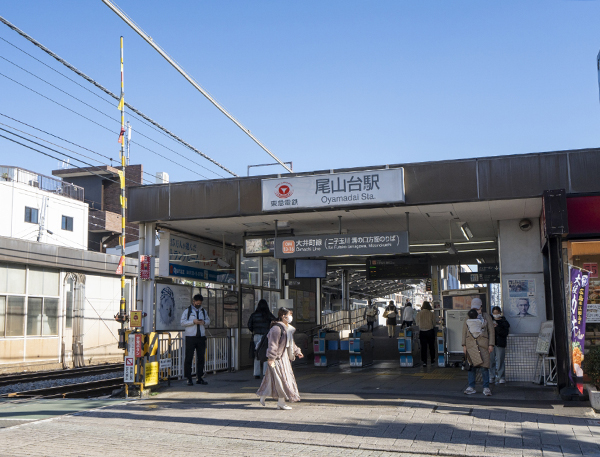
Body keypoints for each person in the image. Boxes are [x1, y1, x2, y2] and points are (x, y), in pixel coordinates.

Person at [256, 308, 304, 410]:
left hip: (284, 358)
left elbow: (291, 343)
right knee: (281, 379)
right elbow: (272, 345)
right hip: (276, 359)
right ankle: (280, 402)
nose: (291, 317)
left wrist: (297, 351)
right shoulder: (276, 329)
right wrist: (271, 358)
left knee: (273, 378)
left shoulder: (288, 329)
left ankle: (264, 396)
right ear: (283, 316)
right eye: (289, 315)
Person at [462, 297, 495, 396]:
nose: (476, 310)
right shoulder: (468, 316)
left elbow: (491, 331)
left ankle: (486, 387)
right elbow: (464, 331)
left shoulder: (486, 316)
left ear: (481, 307)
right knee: (471, 367)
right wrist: (464, 345)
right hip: (471, 344)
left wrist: (491, 344)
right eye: (474, 308)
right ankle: (471, 387)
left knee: (484, 367)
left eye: (477, 308)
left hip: (483, 344)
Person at [180, 294, 211, 386]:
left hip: (201, 337)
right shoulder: (187, 311)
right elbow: (182, 322)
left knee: (201, 358)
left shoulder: (203, 311)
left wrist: (203, 322)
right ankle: (189, 378)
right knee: (188, 358)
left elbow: (208, 321)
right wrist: (193, 322)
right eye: (197, 303)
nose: (198, 305)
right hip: (190, 337)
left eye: (200, 304)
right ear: (193, 302)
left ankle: (199, 378)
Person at [248, 299, 276, 379]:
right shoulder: (268, 315)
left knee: (257, 354)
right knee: (265, 354)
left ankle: (256, 373)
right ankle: (265, 373)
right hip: (266, 336)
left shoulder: (254, 315)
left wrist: (254, 330)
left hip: (256, 336)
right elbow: (274, 322)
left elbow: (249, 325)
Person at [489, 306, 510, 384]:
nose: (495, 314)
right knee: (491, 361)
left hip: (500, 344)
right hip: (491, 344)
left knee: (500, 360)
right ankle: (492, 376)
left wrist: (497, 327)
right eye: (494, 313)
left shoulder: (504, 322)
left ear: (500, 313)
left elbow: (505, 333)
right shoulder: (490, 321)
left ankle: (501, 377)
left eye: (497, 313)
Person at [415, 301, 436, 367]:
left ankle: (424, 361)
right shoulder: (431, 313)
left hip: (422, 332)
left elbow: (417, 322)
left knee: (423, 347)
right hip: (430, 331)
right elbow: (434, 323)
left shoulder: (419, 313)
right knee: (431, 346)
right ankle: (432, 360)